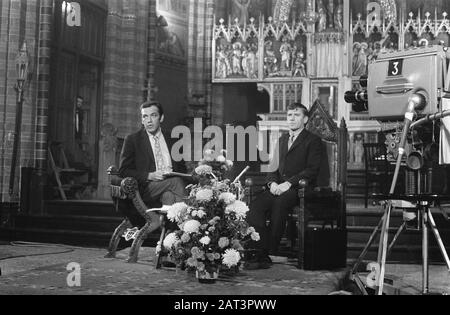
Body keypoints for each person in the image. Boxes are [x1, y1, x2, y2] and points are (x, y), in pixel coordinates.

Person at [245, 103, 323, 269]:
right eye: (289, 115)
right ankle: (260, 250)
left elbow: (312, 170)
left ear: (305, 119)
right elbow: (273, 167)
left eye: (296, 115)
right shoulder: (282, 140)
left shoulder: (313, 141)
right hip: (278, 187)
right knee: (255, 207)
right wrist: (272, 182)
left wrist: (289, 183)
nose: (292, 118)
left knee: (279, 203)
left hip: (299, 189)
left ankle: (271, 251)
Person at [119, 101, 187, 228]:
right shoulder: (133, 140)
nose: (149, 121)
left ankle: (166, 240)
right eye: (145, 116)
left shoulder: (172, 139)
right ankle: (187, 229)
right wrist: (149, 175)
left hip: (169, 186)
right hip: (146, 188)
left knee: (169, 196)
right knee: (176, 182)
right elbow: (123, 170)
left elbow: (181, 167)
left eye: (153, 115)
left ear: (161, 118)